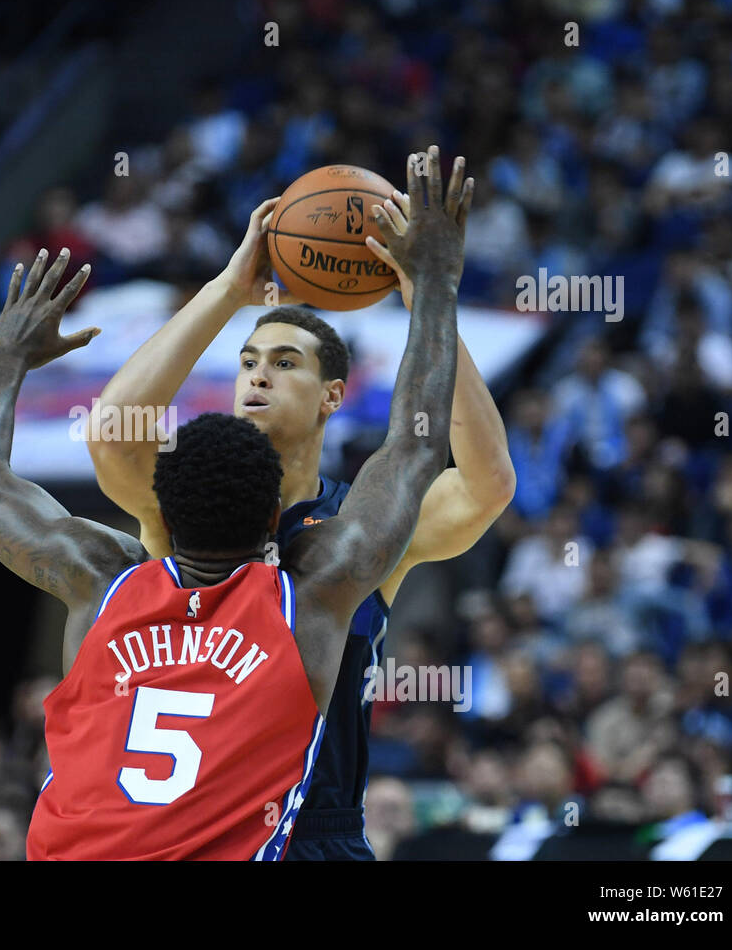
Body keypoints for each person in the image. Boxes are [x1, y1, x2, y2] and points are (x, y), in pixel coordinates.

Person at [0, 145, 465, 859]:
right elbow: (415, 447)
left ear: (159, 510)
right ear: (277, 521)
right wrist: (434, 280)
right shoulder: (308, 595)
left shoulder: (99, 580)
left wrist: (7, 355)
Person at [85, 147, 514, 859]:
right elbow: (112, 437)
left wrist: (429, 304)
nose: (258, 375)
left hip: (320, 832)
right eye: (249, 362)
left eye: (285, 364)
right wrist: (228, 288)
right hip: (199, 831)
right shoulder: (186, 507)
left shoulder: (363, 525)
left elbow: (486, 484)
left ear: (332, 397)